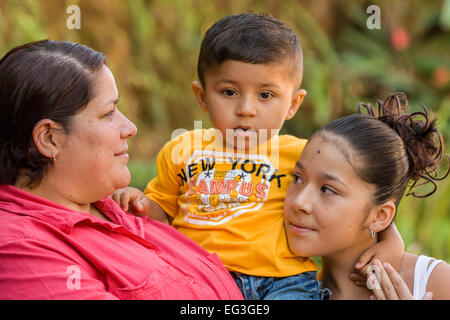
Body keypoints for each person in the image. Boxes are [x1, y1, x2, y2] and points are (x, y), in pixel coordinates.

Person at [113, 13, 404, 300]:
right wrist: (139, 202)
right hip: (200, 277)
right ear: (201, 96)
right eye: (229, 92)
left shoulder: (303, 154)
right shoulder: (181, 150)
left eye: (265, 95)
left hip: (283, 283)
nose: (246, 109)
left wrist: (392, 240)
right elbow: (161, 211)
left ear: (293, 103)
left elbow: (358, 197)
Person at [0, 40, 243, 300]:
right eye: (109, 113)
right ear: (49, 139)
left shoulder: (122, 208)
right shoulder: (22, 249)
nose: (130, 128)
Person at [284, 92, 450, 300]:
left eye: (327, 189)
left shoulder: (434, 282)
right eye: (298, 178)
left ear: (381, 216)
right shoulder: (287, 292)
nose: (299, 202)